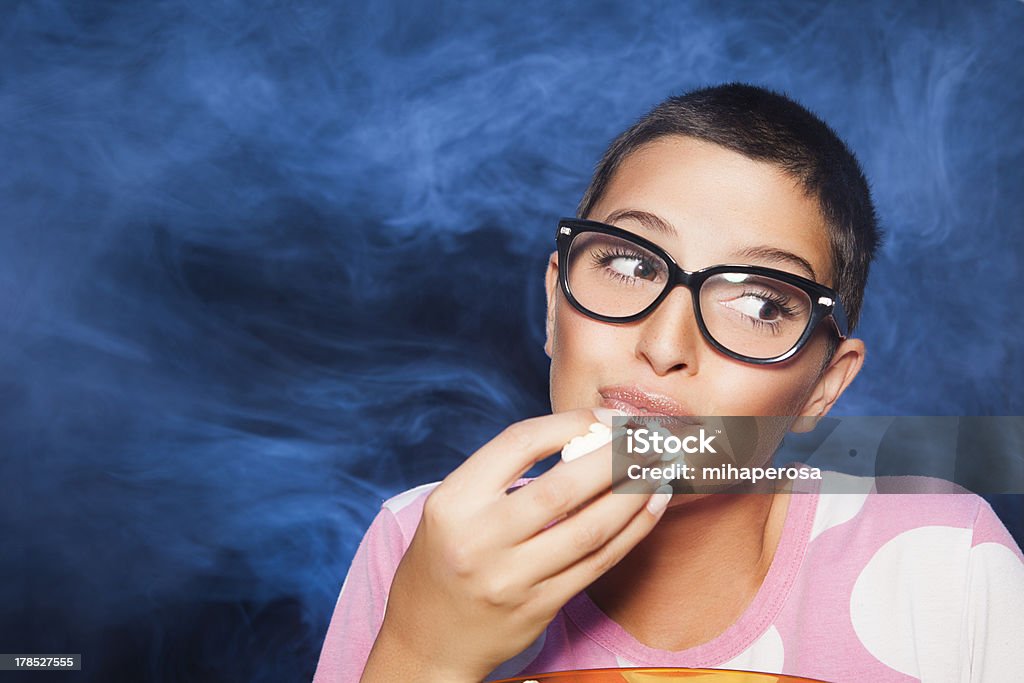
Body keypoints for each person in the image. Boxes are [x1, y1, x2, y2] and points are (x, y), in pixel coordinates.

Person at [314, 84, 1024, 682]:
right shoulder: (424, 541)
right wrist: (421, 653)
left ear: (823, 388)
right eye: (629, 265)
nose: (663, 346)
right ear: (555, 306)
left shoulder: (945, 563)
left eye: (758, 304)